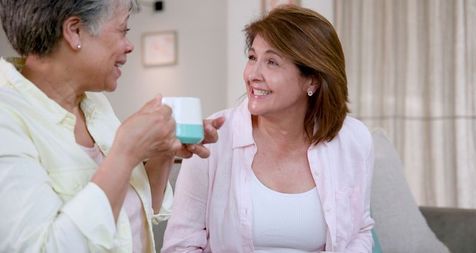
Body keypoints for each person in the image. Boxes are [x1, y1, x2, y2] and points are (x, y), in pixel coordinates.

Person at [0, 0, 223, 252]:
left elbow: (135, 216)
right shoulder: (7, 118)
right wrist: (125, 154)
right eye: (123, 30)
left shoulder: (95, 105)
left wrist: (163, 151)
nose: (129, 46)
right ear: (74, 31)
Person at [162, 5, 374, 253]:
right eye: (252, 57)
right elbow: (180, 246)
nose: (253, 74)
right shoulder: (213, 137)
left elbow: (360, 230)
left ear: (312, 80)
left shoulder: (352, 140)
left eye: (272, 62)